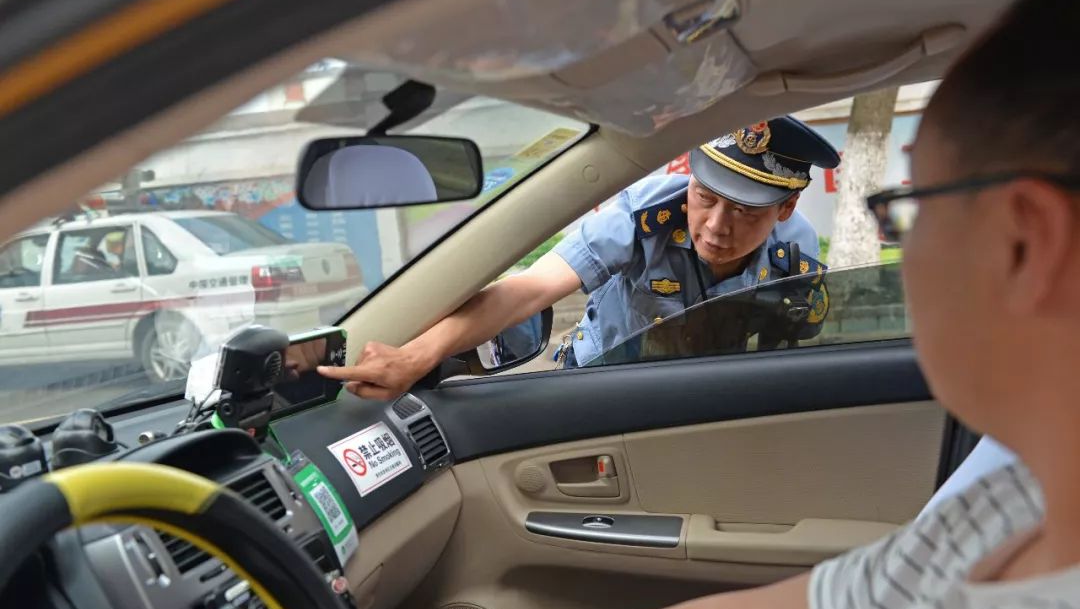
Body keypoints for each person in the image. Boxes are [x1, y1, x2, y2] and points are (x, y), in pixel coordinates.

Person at [567, 0, 1080, 609]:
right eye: (707, 199)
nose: (717, 225)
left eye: (912, 209)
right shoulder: (1017, 498)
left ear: (1023, 242)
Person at [319, 115, 839, 397]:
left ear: (787, 206)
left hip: (704, 393)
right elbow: (529, 289)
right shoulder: (645, 213)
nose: (717, 227)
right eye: (705, 197)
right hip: (599, 383)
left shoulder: (795, 251)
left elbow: (783, 354)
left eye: (746, 212)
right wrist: (415, 357)